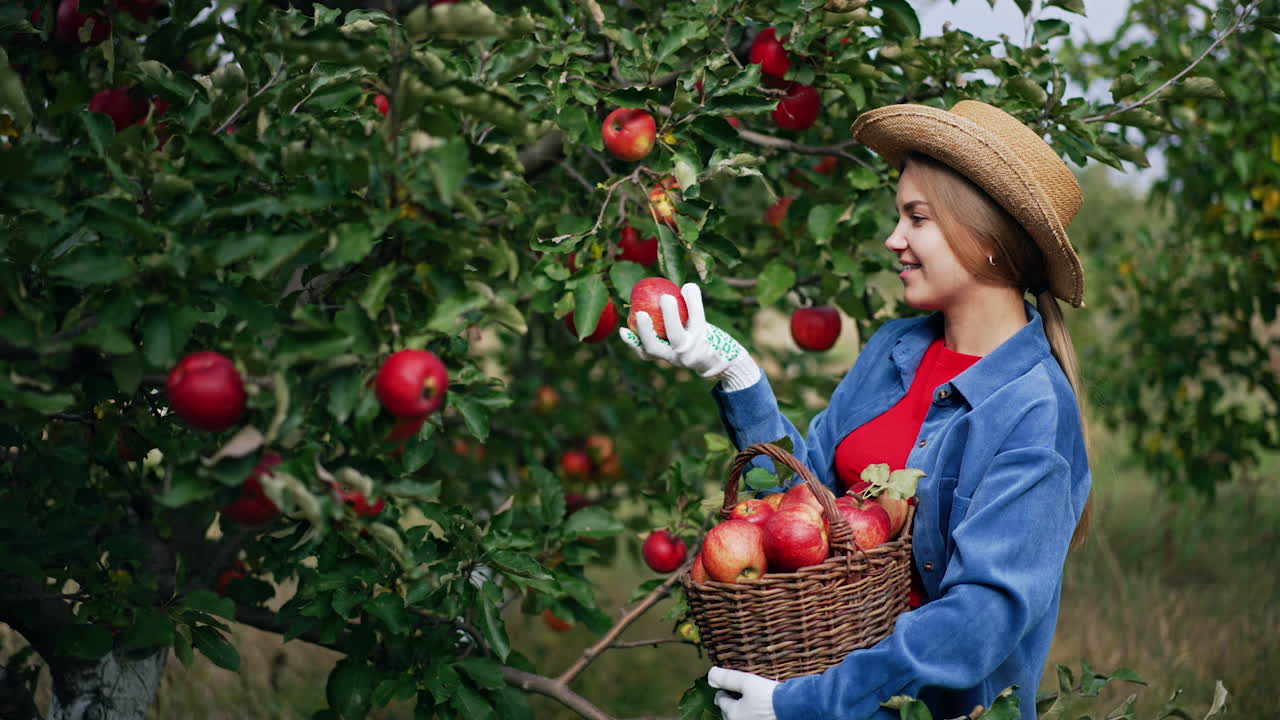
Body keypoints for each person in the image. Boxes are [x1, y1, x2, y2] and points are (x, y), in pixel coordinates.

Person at [619, 100, 1093, 720]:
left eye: (916, 218)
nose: (894, 239)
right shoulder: (891, 351)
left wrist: (810, 703)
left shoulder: (1035, 410)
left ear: (986, 238)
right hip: (808, 671)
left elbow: (979, 620)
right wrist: (737, 375)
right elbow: (797, 505)